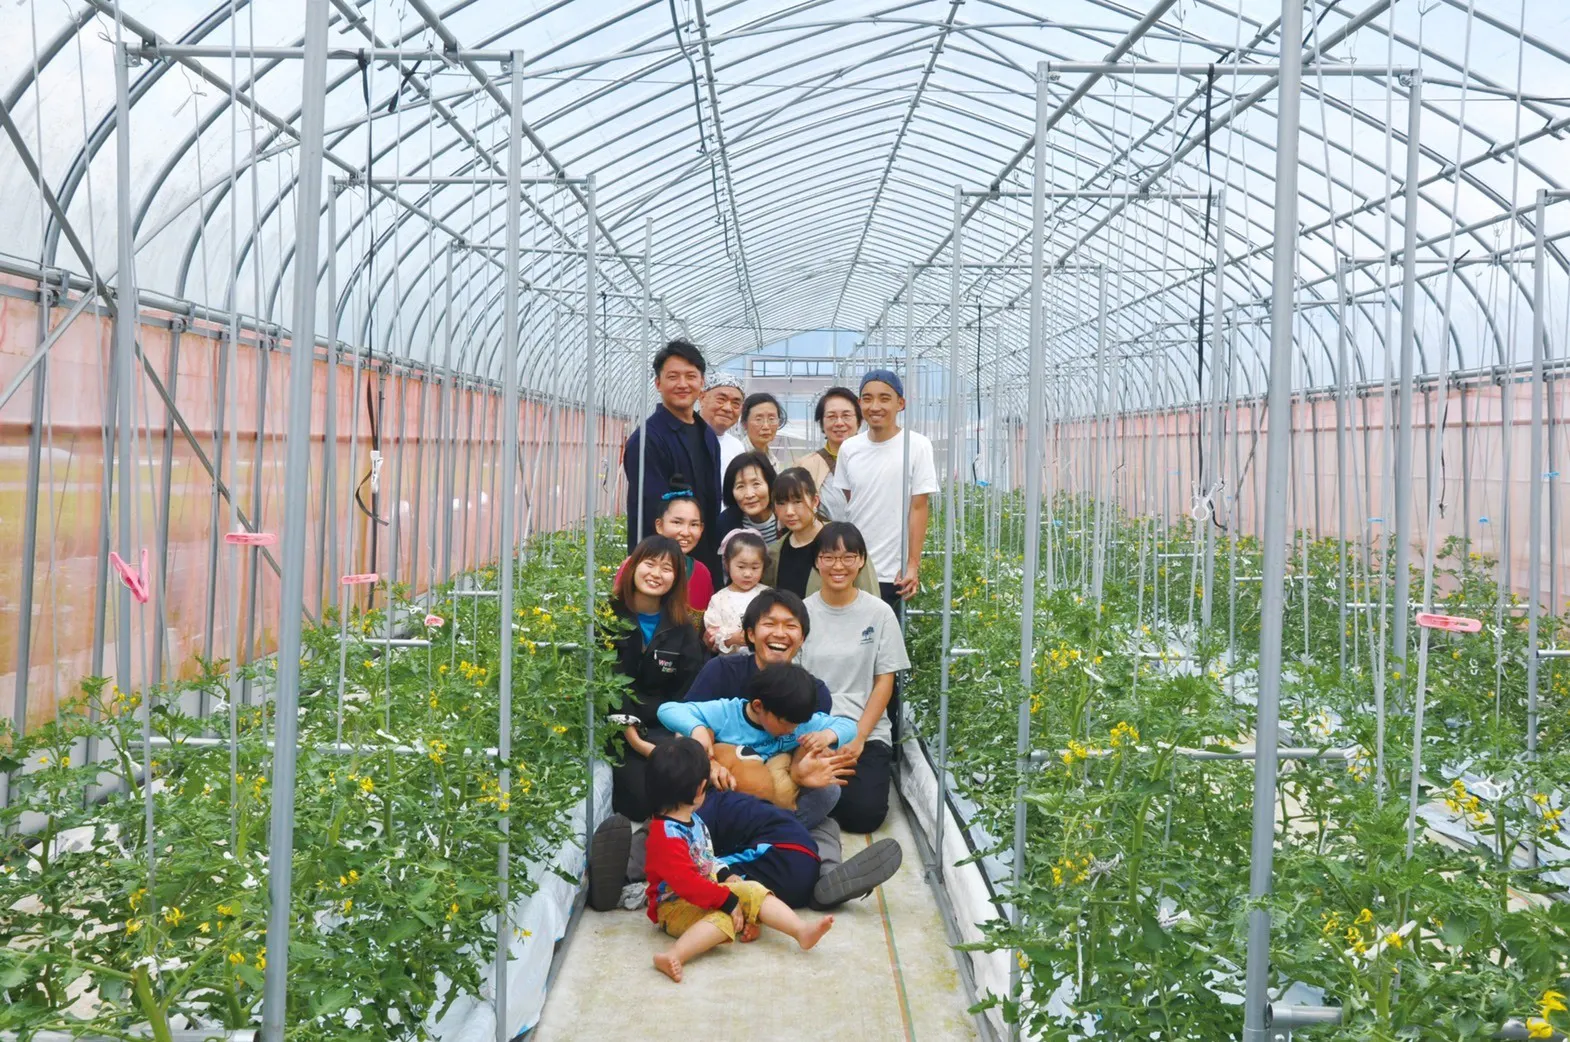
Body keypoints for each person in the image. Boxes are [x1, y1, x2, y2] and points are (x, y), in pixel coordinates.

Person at [643, 738, 833, 983]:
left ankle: (800, 930)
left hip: (703, 892)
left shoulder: (692, 819)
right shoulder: (666, 836)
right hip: (674, 906)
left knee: (752, 888)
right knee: (724, 917)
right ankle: (674, 955)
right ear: (701, 789)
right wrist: (726, 900)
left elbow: (706, 858)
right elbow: (687, 883)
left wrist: (725, 875)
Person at [798, 523, 910, 834]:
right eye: (829, 557)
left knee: (864, 815)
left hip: (865, 732)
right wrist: (816, 739)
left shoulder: (879, 613)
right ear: (817, 561)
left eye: (848, 557)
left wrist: (859, 737)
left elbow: (884, 682)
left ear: (861, 560)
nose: (839, 566)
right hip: (813, 733)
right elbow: (795, 685)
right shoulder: (801, 613)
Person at [657, 663, 855, 827]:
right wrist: (697, 729)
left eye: (797, 724)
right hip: (730, 795)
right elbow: (667, 710)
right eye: (785, 723)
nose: (792, 730)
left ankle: (782, 829)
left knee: (830, 791)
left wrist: (826, 736)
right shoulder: (726, 713)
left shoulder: (797, 722)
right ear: (758, 706)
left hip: (776, 797)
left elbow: (849, 726)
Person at [606, 536, 706, 825]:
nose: (656, 574)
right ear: (633, 566)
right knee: (641, 800)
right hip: (619, 731)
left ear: (676, 579)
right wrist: (639, 744)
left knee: (689, 790)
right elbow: (608, 688)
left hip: (663, 728)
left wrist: (678, 742)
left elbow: (688, 691)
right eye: (649, 564)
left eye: (667, 568)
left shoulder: (683, 627)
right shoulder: (608, 617)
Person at [826, 369, 938, 614]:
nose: (875, 406)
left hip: (893, 570)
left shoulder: (917, 446)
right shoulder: (849, 448)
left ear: (901, 403)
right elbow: (852, 502)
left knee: (885, 632)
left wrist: (912, 565)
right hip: (853, 565)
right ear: (860, 404)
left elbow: (919, 508)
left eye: (884, 398)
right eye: (867, 399)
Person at [697, 788, 902, 910]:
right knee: (824, 825)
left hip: (781, 820)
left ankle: (822, 881)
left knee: (711, 870)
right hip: (782, 821)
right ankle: (826, 875)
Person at [624, 340, 723, 578]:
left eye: (690, 376)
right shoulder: (647, 440)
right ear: (658, 383)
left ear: (702, 382)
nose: (682, 384)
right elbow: (653, 514)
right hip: (662, 567)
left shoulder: (707, 434)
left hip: (704, 560)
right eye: (673, 376)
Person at [765, 467, 878, 600]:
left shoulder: (844, 540)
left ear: (815, 501)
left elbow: (870, 598)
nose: (789, 511)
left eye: (797, 502)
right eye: (781, 503)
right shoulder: (775, 552)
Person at [614, 486, 715, 612]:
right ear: (659, 525)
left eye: (694, 524)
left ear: (701, 528)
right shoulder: (633, 564)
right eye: (677, 522)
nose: (685, 532)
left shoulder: (701, 572)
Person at [795, 386, 861, 520]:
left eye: (846, 416)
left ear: (859, 420)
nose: (839, 423)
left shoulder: (873, 460)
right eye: (831, 417)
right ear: (821, 423)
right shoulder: (806, 466)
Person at [704, 530, 769, 655]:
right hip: (729, 662)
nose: (748, 574)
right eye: (741, 567)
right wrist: (732, 639)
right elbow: (712, 636)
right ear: (727, 564)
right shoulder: (719, 599)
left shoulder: (768, 595)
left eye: (755, 568)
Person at [714, 451, 780, 557]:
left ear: (770, 484)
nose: (749, 494)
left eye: (756, 484)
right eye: (740, 486)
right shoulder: (725, 523)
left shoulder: (786, 518)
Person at [698, 372, 748, 477]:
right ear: (702, 398)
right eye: (721, 400)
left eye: (735, 403)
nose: (728, 408)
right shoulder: (681, 438)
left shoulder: (736, 447)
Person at [739, 392, 788, 470]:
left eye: (771, 419)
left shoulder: (772, 459)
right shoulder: (737, 454)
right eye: (758, 419)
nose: (766, 426)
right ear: (744, 423)